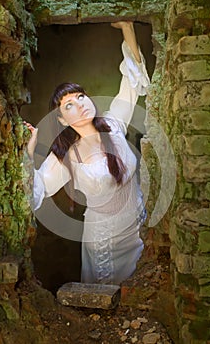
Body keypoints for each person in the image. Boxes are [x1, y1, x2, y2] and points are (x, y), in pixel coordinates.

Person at [25, 21, 150, 285]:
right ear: (61, 119)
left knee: (144, 291)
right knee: (107, 305)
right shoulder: (66, 156)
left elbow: (132, 83)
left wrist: (127, 28)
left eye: (81, 97)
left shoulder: (114, 125)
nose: (80, 105)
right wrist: (30, 149)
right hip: (106, 241)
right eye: (69, 105)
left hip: (139, 228)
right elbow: (37, 188)